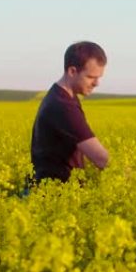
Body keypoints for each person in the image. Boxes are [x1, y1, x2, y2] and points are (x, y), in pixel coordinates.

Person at [29, 41, 110, 185]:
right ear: (72, 71)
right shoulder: (62, 105)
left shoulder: (62, 96)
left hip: (59, 193)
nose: (97, 83)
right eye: (91, 77)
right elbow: (100, 158)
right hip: (54, 196)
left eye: (99, 77)